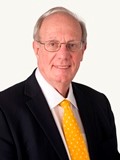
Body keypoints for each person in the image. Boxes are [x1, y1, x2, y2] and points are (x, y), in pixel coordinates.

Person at [0, 6, 119, 160]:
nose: (63, 55)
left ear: (83, 50)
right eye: (52, 44)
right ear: (36, 49)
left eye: (72, 45)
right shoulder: (4, 109)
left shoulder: (99, 103)